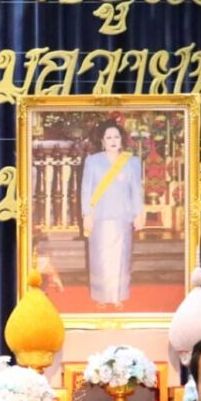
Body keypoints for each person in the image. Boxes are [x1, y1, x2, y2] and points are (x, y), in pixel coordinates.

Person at [79, 122, 144, 309]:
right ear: (102, 141)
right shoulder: (93, 161)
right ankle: (101, 295)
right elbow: (86, 190)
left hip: (123, 215)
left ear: (122, 139)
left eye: (116, 137)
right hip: (99, 216)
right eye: (109, 137)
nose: (113, 141)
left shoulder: (132, 161)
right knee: (100, 257)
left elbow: (136, 190)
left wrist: (138, 213)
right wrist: (87, 214)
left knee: (121, 257)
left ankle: (118, 296)